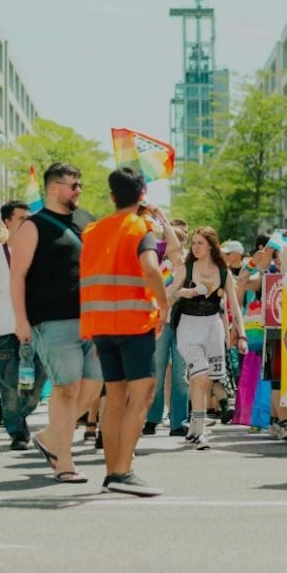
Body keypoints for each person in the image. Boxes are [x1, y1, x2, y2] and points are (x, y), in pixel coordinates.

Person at [10, 163, 102, 483]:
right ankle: (64, 461)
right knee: (65, 389)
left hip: (91, 318)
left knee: (94, 386)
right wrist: (21, 321)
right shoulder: (32, 226)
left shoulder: (86, 220)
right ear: (53, 188)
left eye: (80, 185)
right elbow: (17, 276)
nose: (78, 190)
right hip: (51, 321)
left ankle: (50, 437)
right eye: (73, 185)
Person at [79, 168, 169, 496]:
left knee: (114, 399)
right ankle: (123, 471)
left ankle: (111, 472)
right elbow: (150, 267)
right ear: (142, 194)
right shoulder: (140, 227)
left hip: (101, 325)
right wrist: (164, 305)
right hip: (134, 323)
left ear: (112, 196)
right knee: (141, 396)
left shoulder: (93, 231)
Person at [168, 227, 247, 450]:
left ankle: (194, 427)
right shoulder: (187, 268)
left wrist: (241, 335)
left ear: (211, 245)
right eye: (193, 243)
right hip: (188, 325)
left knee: (203, 379)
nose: (195, 247)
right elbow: (168, 294)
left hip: (213, 326)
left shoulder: (224, 272)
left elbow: (234, 306)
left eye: (200, 243)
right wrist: (183, 293)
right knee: (200, 375)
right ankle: (200, 431)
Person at [0, 201, 48, 450]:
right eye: (21, 218)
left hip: (37, 329)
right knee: (8, 385)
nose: (27, 222)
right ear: (7, 222)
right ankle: (18, 433)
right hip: (4, 330)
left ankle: (19, 414)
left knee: (38, 381)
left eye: (29, 218)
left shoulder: (40, 251)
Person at [145, 222, 189, 437]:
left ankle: (178, 422)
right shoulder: (156, 265)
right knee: (158, 373)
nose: (172, 244)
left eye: (177, 241)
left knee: (181, 376)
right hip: (160, 325)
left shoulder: (186, 267)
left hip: (182, 325)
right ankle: (152, 418)